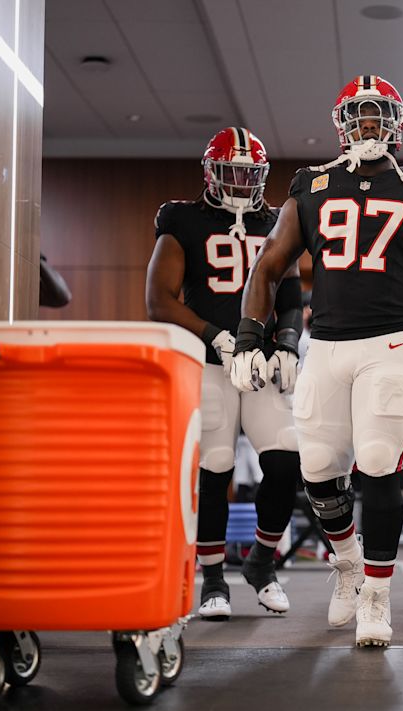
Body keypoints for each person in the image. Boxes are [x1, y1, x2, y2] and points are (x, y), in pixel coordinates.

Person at [232, 75, 403, 648]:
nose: (369, 126)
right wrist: (249, 334)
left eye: (377, 116)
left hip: (393, 342)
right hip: (329, 343)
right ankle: (347, 563)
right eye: (359, 117)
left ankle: (377, 593)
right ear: (342, 123)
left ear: (395, 123)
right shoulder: (310, 186)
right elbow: (268, 264)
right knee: (316, 467)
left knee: (377, 462)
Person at [145, 127, 305, 620]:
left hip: (258, 364)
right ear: (209, 174)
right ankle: (212, 578)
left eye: (248, 174)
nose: (239, 184)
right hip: (210, 364)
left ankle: (261, 561)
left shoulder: (277, 220)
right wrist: (216, 333)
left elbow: (291, 294)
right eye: (230, 173)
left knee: (285, 462)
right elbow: (158, 300)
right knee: (215, 468)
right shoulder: (182, 219)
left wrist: (289, 344)